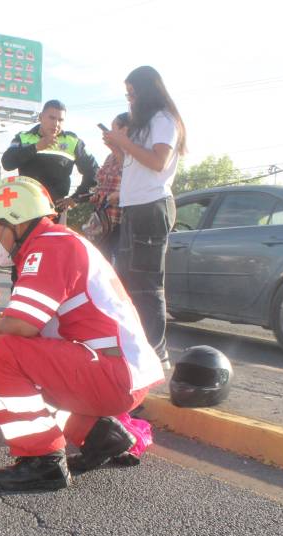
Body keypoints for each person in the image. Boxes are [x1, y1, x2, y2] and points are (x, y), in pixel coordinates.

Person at [0, 177, 164, 491]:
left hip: (112, 372)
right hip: (116, 368)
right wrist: (1, 321)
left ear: (15, 222)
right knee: (27, 361)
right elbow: (33, 320)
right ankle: (102, 436)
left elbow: (22, 326)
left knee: (3, 352)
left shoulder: (48, 247)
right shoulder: (58, 241)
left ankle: (41, 459)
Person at [103, 66, 187, 368]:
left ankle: (156, 352)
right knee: (127, 280)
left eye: (132, 93)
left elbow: (158, 161)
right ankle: (136, 348)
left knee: (146, 284)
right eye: (127, 94)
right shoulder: (146, 123)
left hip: (152, 207)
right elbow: (135, 164)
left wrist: (124, 142)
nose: (130, 100)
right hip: (135, 207)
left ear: (146, 92)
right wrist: (117, 147)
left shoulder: (163, 119)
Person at [1, 99, 99, 226]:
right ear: (41, 117)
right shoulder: (23, 137)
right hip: (26, 210)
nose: (56, 124)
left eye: (60, 120)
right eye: (52, 118)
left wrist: (76, 198)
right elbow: (7, 163)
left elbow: (94, 172)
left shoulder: (72, 141)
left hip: (55, 213)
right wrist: (36, 147)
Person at [85, 112, 130, 261]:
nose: (109, 133)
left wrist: (116, 149)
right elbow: (102, 184)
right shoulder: (110, 157)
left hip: (121, 223)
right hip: (103, 222)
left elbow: (132, 180)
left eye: (113, 129)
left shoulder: (133, 155)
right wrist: (96, 196)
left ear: (125, 130)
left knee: (118, 266)